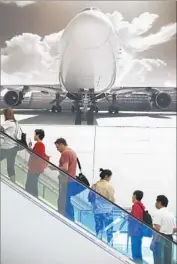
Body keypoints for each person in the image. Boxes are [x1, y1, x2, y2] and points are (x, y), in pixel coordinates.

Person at [88, 168, 115, 246]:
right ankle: (110, 247)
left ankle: (98, 245)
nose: (110, 179)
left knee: (99, 229)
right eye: (110, 177)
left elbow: (90, 198)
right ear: (106, 176)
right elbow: (112, 200)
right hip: (108, 211)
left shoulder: (95, 185)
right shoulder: (109, 186)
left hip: (97, 211)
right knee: (109, 230)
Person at [54, 138, 77, 221]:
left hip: (66, 181)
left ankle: (64, 218)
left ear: (61, 144)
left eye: (57, 147)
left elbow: (65, 168)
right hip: (71, 180)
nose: (57, 150)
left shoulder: (65, 153)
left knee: (62, 200)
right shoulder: (72, 152)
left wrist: (54, 168)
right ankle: (70, 218)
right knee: (67, 200)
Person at [151, 195, 176, 264]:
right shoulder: (171, 214)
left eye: (156, 202)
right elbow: (174, 229)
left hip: (160, 239)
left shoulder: (158, 213)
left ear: (159, 202)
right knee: (167, 260)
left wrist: (153, 242)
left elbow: (157, 229)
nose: (155, 203)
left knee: (158, 260)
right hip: (169, 239)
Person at [25, 129, 48, 198]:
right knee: (32, 184)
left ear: (38, 135)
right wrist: (30, 149)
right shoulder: (39, 144)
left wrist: (29, 149)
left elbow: (36, 156)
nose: (34, 136)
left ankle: (33, 198)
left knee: (31, 184)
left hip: (35, 169)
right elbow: (36, 154)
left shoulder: (39, 144)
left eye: (35, 134)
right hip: (35, 168)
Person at [0, 107, 19, 182]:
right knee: (10, 167)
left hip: (7, 147)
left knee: (10, 167)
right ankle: (13, 183)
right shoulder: (15, 122)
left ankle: (13, 182)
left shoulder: (8, 122)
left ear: (6, 115)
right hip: (13, 147)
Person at [128, 190, 145, 264]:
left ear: (135, 196)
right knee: (137, 251)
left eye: (132, 195)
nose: (132, 197)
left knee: (136, 253)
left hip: (135, 233)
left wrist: (128, 217)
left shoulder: (135, 206)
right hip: (138, 232)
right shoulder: (140, 206)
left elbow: (136, 219)